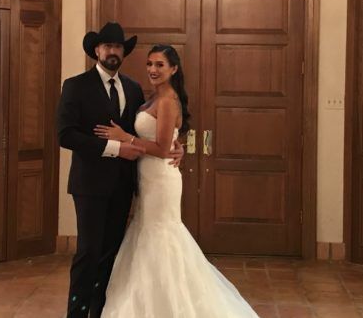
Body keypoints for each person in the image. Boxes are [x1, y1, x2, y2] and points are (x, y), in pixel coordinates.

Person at [95, 44, 259, 318]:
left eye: (160, 65)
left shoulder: (168, 100)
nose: (152, 70)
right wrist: (177, 143)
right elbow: (168, 139)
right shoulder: (152, 98)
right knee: (146, 234)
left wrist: (126, 138)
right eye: (149, 64)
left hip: (161, 179)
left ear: (173, 69)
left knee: (162, 237)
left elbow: (160, 148)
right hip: (148, 177)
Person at [57, 23, 184, 318]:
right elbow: (66, 135)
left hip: (125, 185)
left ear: (122, 52)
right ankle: (77, 313)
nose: (112, 51)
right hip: (89, 185)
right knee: (88, 253)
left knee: (111, 254)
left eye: (117, 47)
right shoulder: (76, 86)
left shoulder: (133, 88)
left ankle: (101, 311)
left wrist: (180, 147)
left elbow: (154, 131)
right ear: (96, 51)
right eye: (107, 46)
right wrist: (116, 148)